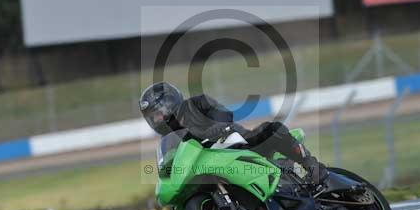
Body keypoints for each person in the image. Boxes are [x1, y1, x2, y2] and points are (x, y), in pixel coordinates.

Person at [139, 82, 333, 188]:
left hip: (240, 143)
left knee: (270, 129)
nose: (157, 120)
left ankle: (312, 165)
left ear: (170, 102)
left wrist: (217, 127)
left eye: (158, 113)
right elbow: (169, 165)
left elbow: (223, 113)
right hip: (211, 167)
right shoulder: (169, 140)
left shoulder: (197, 103)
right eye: (152, 117)